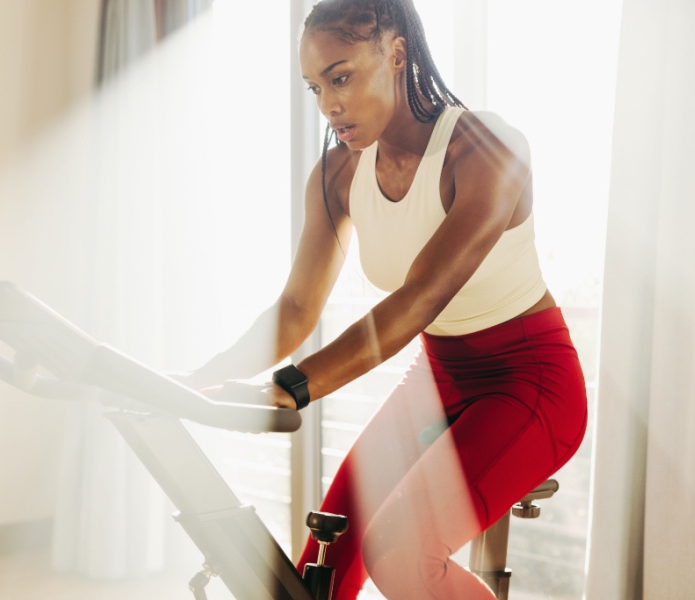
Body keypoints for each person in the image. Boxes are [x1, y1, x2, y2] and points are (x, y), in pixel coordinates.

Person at [182, 0, 588, 598]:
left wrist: (290, 387)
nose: (328, 105)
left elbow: (419, 298)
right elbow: (296, 310)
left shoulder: (485, 150)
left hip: (531, 383)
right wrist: (199, 380)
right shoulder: (338, 175)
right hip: (437, 376)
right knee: (325, 560)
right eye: (315, 86)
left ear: (396, 54)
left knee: (399, 556)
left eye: (340, 77)